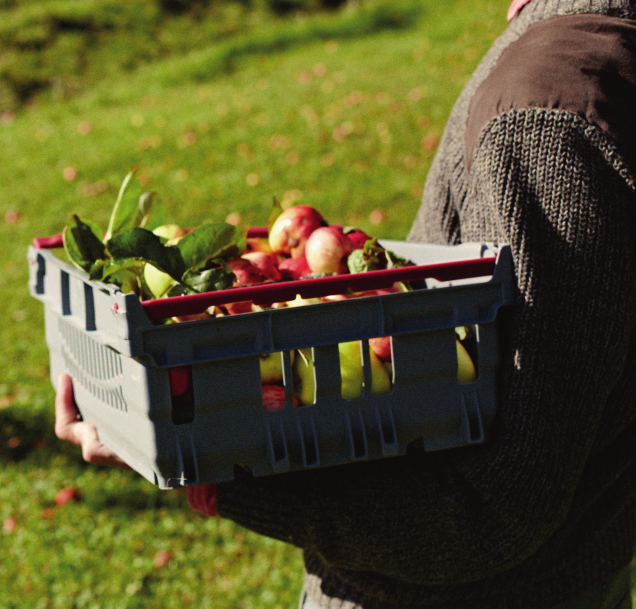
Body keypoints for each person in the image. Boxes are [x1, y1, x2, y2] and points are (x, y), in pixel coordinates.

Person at [55, 0, 636, 606]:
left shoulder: (544, 110)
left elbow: (491, 507)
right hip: (579, 567)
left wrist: (209, 475)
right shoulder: (596, 52)